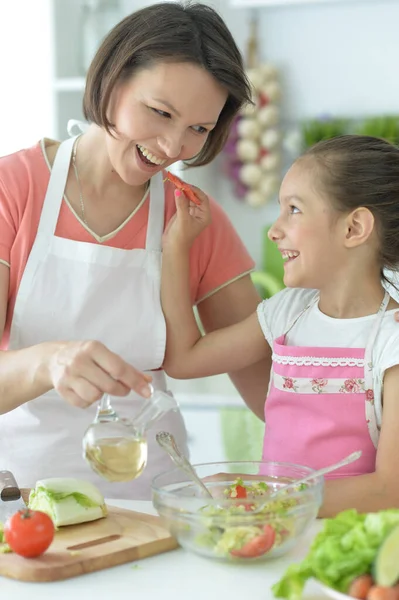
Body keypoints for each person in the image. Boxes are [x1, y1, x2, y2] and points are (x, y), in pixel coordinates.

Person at [0, 2, 268, 500]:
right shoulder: (12, 190)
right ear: (113, 81)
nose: (172, 146)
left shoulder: (192, 220)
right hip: (21, 508)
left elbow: (270, 390)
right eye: (161, 113)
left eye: (199, 129)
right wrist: (47, 362)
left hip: (154, 502)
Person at [161, 134, 399, 517]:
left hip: (346, 549)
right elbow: (184, 360)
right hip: (277, 534)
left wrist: (260, 498)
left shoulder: (392, 343)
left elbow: (388, 490)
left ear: (354, 228)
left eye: (294, 209)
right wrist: (177, 248)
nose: (275, 230)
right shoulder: (287, 314)